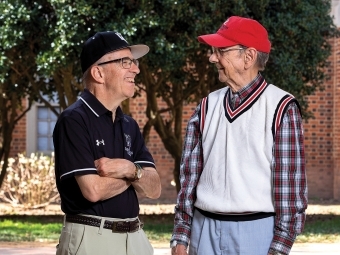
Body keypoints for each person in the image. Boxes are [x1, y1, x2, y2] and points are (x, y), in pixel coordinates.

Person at [170, 16, 307, 255]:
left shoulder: (281, 107)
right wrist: (181, 234)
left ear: (249, 57)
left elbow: (290, 188)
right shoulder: (205, 107)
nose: (212, 57)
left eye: (220, 50)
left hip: (258, 235)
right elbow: (189, 177)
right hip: (203, 231)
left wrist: (279, 248)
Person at [53, 31, 161, 255]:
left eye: (134, 62)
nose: (136, 69)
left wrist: (129, 169)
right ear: (98, 73)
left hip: (135, 239)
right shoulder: (74, 120)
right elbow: (93, 190)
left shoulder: (129, 124)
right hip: (92, 239)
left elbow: (155, 188)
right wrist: (136, 176)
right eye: (125, 62)